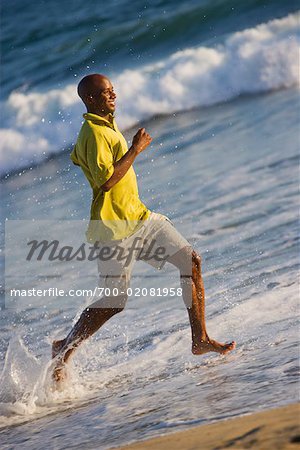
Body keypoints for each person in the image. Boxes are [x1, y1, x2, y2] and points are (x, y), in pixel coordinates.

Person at [52, 74, 236, 381]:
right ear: (90, 100)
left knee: (191, 261)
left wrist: (98, 155)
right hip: (113, 230)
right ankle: (63, 349)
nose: (113, 95)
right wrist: (135, 149)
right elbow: (106, 181)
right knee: (113, 302)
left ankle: (200, 339)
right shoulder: (93, 133)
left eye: (112, 90)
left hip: (140, 217)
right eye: (105, 92)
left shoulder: (102, 127)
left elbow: (77, 159)